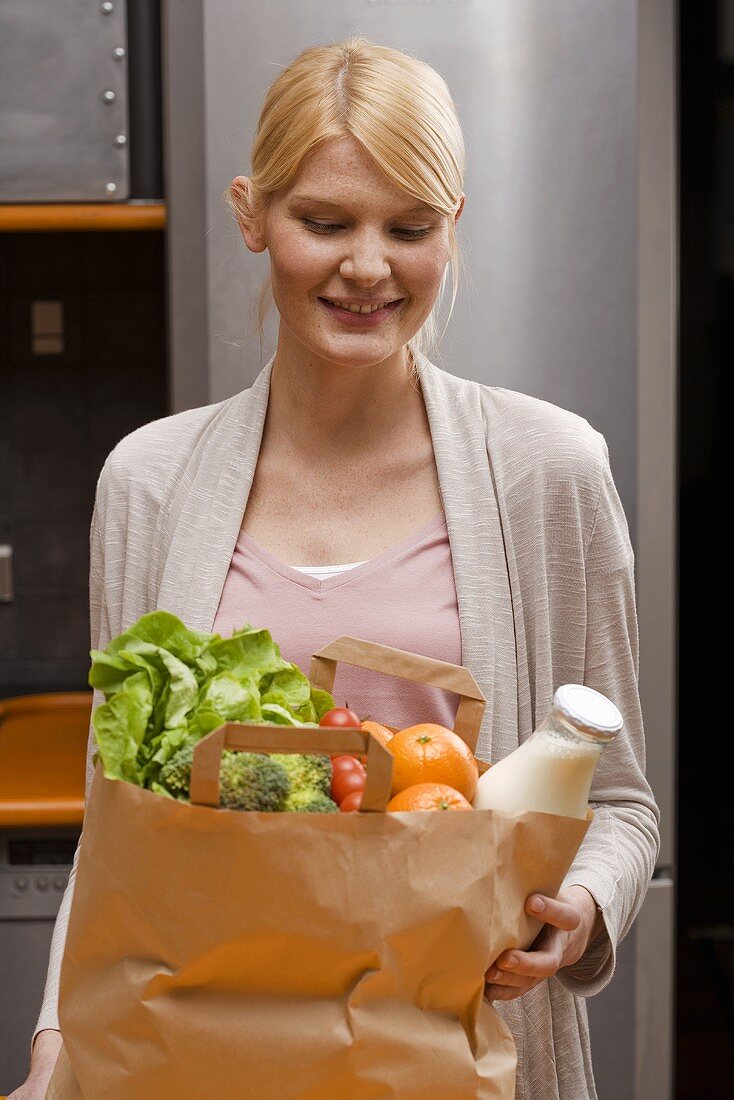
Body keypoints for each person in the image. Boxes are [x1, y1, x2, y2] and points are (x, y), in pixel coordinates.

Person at [14, 35, 659, 1100]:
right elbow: (119, 830)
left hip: (457, 1052)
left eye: (408, 227)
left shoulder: (550, 472)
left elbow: (622, 802)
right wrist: (55, 1047)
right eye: (325, 222)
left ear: (455, 224)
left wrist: (579, 907)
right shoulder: (149, 482)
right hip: (206, 1063)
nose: (368, 266)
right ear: (251, 214)